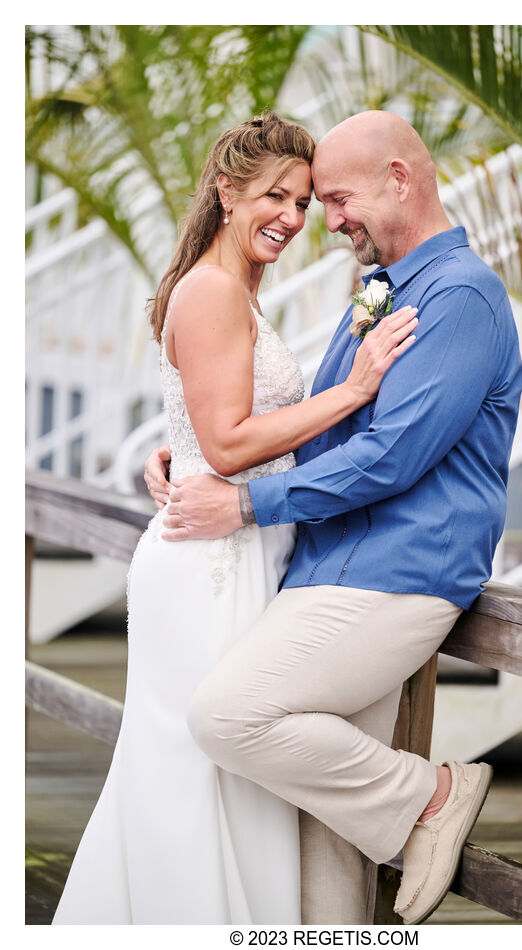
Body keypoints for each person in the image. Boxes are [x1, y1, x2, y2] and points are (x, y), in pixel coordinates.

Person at [144, 110, 522, 926]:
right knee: (319, 834)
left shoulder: (460, 298)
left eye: (336, 199)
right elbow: (318, 425)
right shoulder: (383, 290)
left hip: (398, 572)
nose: (330, 218)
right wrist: (197, 460)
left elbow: (391, 457)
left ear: (400, 177)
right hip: (324, 566)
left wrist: (244, 498)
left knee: (228, 716)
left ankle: (433, 795)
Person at [52, 112, 417, 925]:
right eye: (275, 198)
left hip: (239, 543)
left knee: (222, 774)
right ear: (226, 191)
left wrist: (174, 452)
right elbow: (225, 440)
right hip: (210, 564)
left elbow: (208, 427)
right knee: (197, 775)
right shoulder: (214, 288)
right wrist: (352, 392)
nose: (291, 217)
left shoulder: (232, 287)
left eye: (302, 202)